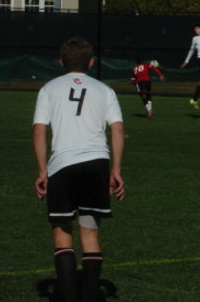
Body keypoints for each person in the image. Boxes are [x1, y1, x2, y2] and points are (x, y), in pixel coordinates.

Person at [32, 37, 125, 301]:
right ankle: (91, 296)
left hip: (63, 165)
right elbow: (118, 129)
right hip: (97, 163)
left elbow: (39, 131)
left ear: (61, 62)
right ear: (91, 62)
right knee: (90, 230)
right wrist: (116, 170)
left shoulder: (49, 88)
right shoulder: (105, 90)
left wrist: (42, 172)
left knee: (62, 230)